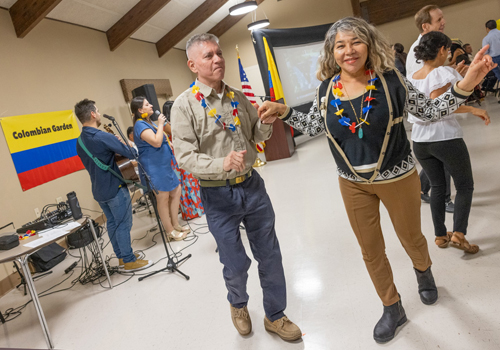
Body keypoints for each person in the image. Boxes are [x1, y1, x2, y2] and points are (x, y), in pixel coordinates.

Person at [258, 17, 496, 343]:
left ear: (368, 44)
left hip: (397, 176)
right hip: (352, 182)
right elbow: (314, 126)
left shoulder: (390, 80)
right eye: (340, 45)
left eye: (355, 42)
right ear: (332, 52)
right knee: (370, 249)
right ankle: (391, 306)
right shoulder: (327, 90)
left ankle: (423, 272)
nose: (348, 50)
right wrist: (283, 111)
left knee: (412, 238)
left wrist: (466, 82)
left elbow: (427, 110)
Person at [171, 33, 301, 341]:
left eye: (219, 53)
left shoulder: (237, 96)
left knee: (269, 254)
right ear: (193, 65)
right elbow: (184, 156)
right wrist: (221, 164)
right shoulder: (184, 106)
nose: (218, 59)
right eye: (208, 56)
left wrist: (266, 119)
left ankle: (276, 315)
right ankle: (238, 304)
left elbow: (258, 135)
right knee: (234, 260)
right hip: (217, 196)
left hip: (252, 188)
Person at [409, 31, 490, 254]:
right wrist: (473, 108)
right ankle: (459, 234)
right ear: (443, 50)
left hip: (420, 140)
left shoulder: (413, 76)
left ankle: (439, 235)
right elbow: (441, 104)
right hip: (444, 137)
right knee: (464, 186)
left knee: (437, 186)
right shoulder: (441, 72)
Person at [75, 99, 152, 271]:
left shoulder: (79, 142)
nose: (100, 114)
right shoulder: (102, 136)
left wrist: (114, 144)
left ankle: (121, 257)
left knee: (112, 223)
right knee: (123, 223)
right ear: (93, 114)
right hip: (114, 188)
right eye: (98, 110)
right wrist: (122, 144)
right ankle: (129, 260)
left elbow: (99, 157)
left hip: (99, 190)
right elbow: (131, 153)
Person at [406, 4, 456, 211]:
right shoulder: (420, 51)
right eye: (438, 20)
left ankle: (422, 188)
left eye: (443, 17)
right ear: (426, 26)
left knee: (436, 158)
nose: (443, 22)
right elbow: (430, 86)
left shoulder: (431, 45)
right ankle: (443, 199)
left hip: (433, 117)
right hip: (429, 116)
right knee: (440, 156)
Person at [132, 97, 189, 241]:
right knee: (162, 198)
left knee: (176, 191)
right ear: (140, 110)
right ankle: (169, 231)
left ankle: (175, 224)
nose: (151, 105)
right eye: (147, 104)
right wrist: (161, 124)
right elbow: (156, 142)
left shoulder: (148, 122)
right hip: (154, 168)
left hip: (164, 166)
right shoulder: (139, 125)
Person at [162, 101, 204, 220]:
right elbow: (178, 134)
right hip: (176, 156)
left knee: (192, 180)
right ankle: (190, 211)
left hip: (184, 151)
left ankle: (198, 208)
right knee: (185, 183)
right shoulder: (166, 124)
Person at [482, 20, 500, 104]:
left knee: (499, 76)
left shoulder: (486, 38)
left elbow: (485, 52)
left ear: (487, 28)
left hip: (494, 59)